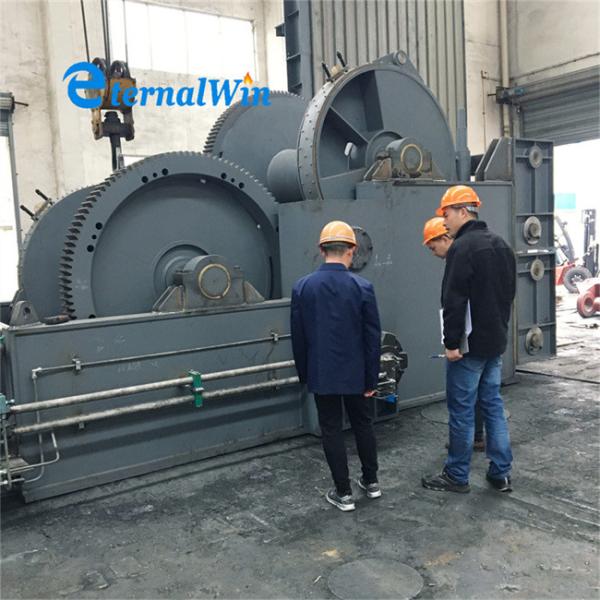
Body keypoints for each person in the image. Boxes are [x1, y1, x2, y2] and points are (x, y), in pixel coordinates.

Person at [421, 186, 515, 494]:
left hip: (468, 349)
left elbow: (454, 301)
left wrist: (451, 344)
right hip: (494, 343)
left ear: (463, 211)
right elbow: (508, 295)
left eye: (446, 213)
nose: (444, 220)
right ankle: (500, 474)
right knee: (492, 406)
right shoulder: (501, 245)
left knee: (461, 411)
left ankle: (457, 475)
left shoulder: (461, 249)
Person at [291, 220, 382, 512]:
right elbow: (372, 338)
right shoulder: (363, 287)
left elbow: (299, 337)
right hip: (358, 373)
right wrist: (371, 379)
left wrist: (305, 374)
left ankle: (343, 494)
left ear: (321, 250)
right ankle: (371, 482)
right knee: (363, 424)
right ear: (351, 251)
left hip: (322, 372)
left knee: (331, 429)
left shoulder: (303, 288)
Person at [422, 217, 485, 452]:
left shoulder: (459, 259)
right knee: (484, 395)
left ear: (445, 238)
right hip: (484, 338)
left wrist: (452, 343)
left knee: (461, 398)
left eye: (433, 247)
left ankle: (460, 455)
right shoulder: (476, 254)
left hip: (466, 341)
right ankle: (477, 437)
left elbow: (455, 304)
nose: (433, 253)